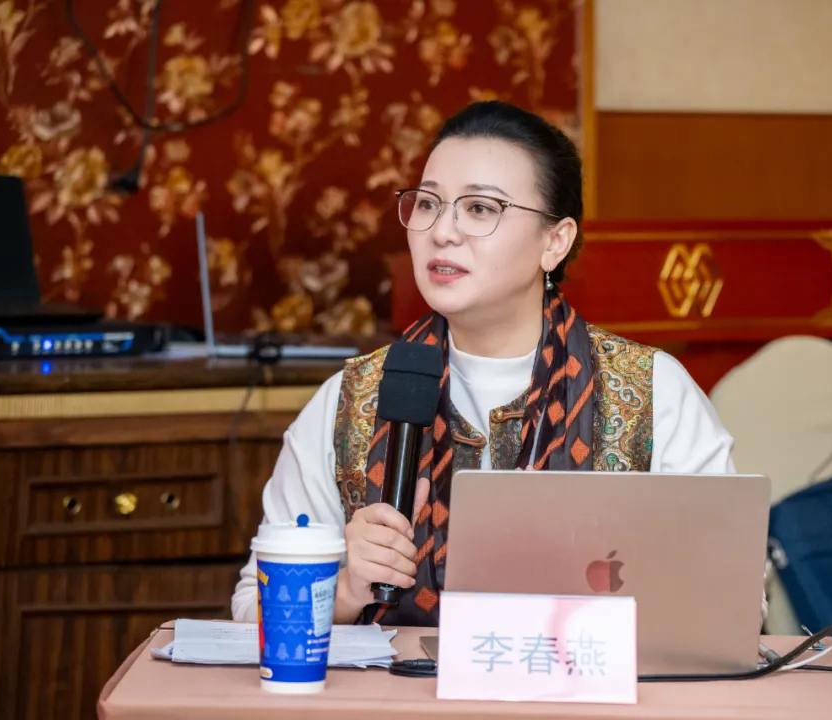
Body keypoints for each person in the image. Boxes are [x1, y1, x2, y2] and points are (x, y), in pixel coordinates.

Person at [232, 100, 760, 627]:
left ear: (555, 242)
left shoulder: (651, 393)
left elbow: (734, 605)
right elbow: (250, 609)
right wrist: (347, 589)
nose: (443, 231)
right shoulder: (351, 399)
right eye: (428, 203)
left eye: (480, 209)